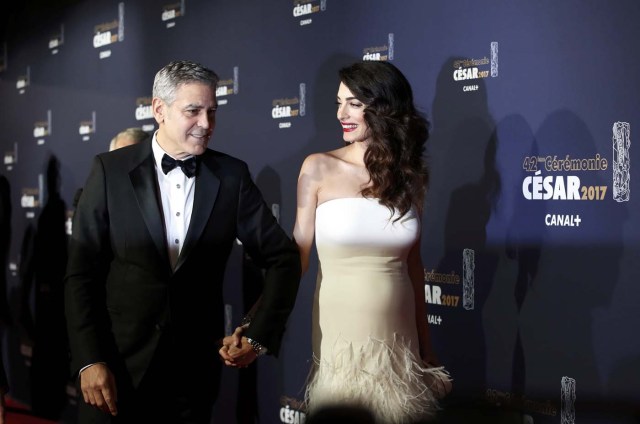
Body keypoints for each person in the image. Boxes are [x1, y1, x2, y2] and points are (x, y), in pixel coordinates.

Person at [64, 60, 301, 424]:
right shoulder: (109, 171)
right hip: (114, 369)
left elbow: (283, 258)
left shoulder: (231, 176)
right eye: (193, 111)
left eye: (212, 112)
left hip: (191, 378)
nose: (206, 124)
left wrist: (257, 336)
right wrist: (89, 359)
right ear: (159, 109)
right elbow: (81, 275)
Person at [293, 61, 452, 423]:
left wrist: (427, 349)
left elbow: (414, 267)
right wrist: (258, 323)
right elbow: (296, 257)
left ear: (382, 108)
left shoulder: (409, 176)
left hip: (400, 338)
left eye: (353, 103)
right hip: (343, 336)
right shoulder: (318, 167)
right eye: (338, 102)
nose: (340, 114)